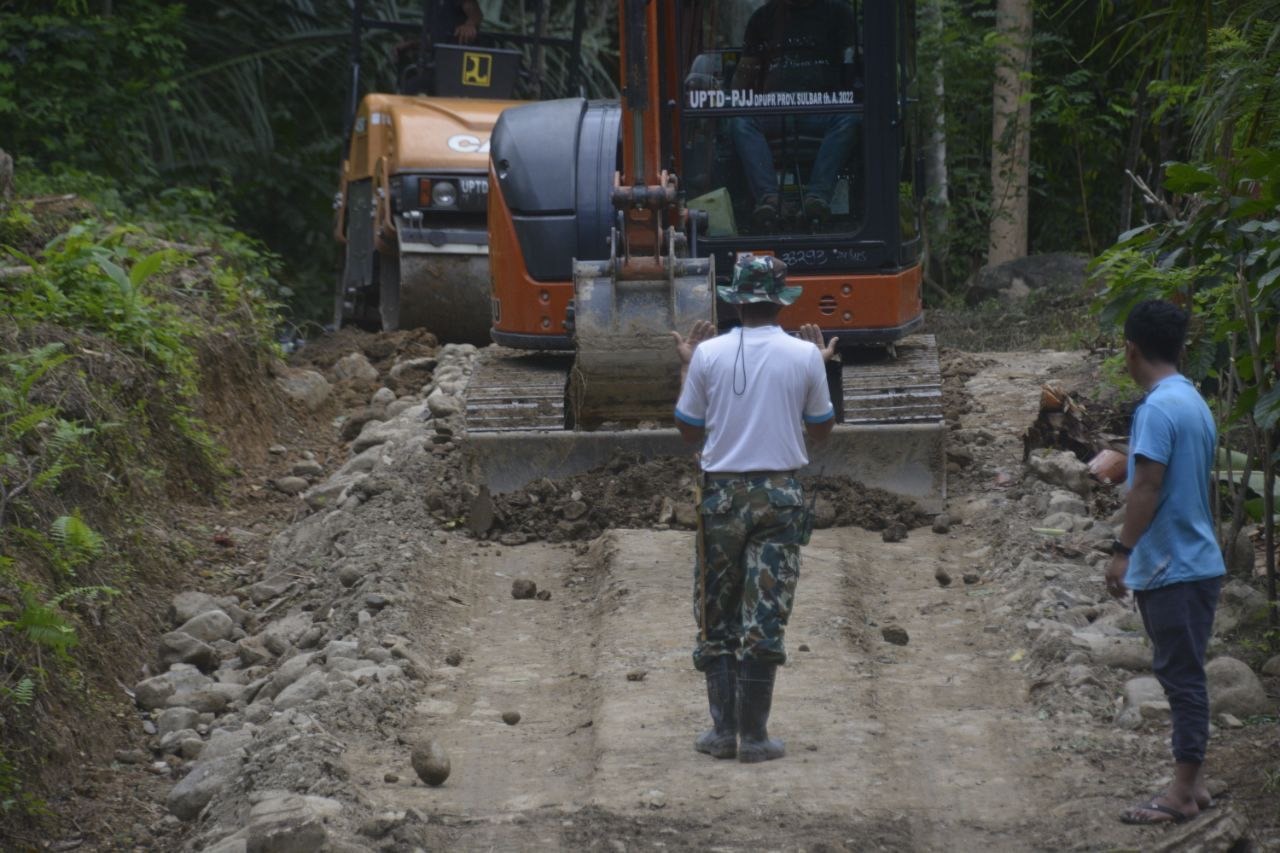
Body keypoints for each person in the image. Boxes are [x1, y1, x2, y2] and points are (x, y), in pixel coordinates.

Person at [671, 254, 837, 763]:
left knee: (716, 613)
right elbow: (822, 428)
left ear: (736, 299)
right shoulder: (805, 356)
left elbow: (687, 428)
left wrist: (686, 366)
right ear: (780, 299)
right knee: (765, 612)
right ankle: (756, 737)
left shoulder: (707, 355)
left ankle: (722, 733)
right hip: (780, 499)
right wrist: (820, 367)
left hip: (720, 498)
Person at [1106, 299, 1226, 825]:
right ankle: (1193, 785)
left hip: (1171, 565)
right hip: (1197, 560)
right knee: (1184, 673)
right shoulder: (1193, 401)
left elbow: (1148, 486)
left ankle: (1179, 792)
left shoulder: (1155, 408)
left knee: (1181, 679)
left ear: (1131, 349)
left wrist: (1122, 552)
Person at [730, 0, 860, 227]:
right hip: (771, 111)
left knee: (850, 117)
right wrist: (730, 101)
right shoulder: (763, 17)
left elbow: (852, 65)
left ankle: (817, 197)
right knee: (740, 120)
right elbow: (746, 71)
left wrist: (847, 97)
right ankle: (770, 199)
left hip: (823, 110)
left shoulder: (839, 13)